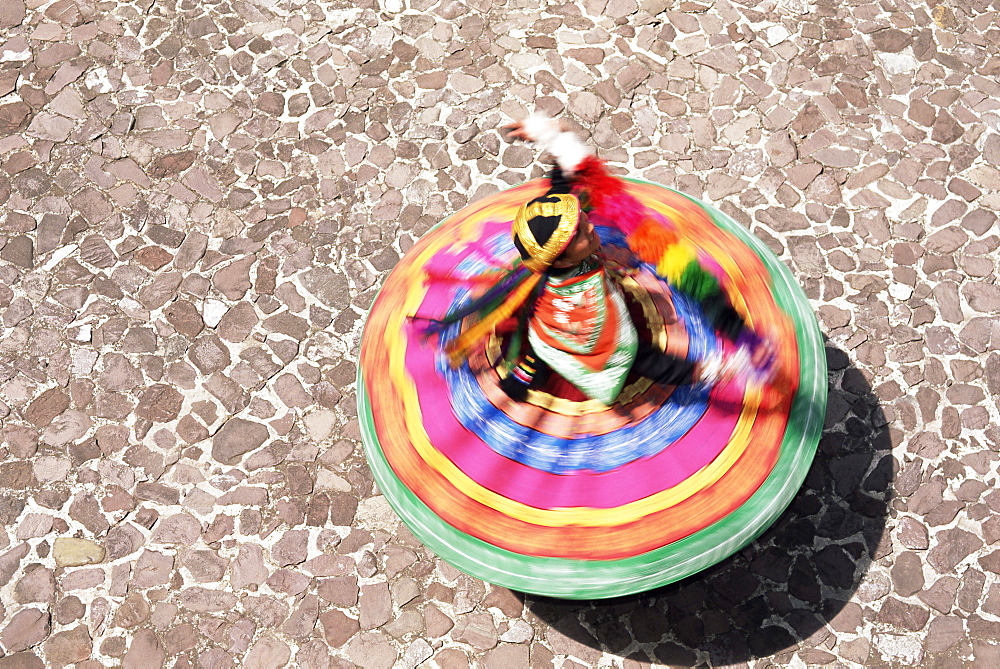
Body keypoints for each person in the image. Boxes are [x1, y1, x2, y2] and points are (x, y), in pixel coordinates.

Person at [428, 113, 774, 405]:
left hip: (574, 297)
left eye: (581, 220)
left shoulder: (565, 246)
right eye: (578, 234)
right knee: (591, 349)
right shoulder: (585, 313)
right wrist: (713, 367)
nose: (590, 228)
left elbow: (567, 181)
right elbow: (627, 354)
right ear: (560, 261)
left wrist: (551, 134)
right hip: (581, 330)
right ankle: (706, 372)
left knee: (540, 332)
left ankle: (527, 372)